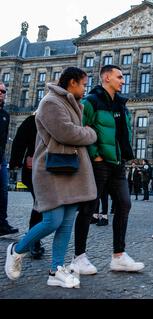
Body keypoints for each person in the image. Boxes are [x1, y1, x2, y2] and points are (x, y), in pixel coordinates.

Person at [4, 67, 97, 288]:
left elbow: (73, 132)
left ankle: (56, 270)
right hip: (51, 170)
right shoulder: (50, 103)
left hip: (70, 169)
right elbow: (67, 133)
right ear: (72, 83)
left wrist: (81, 131)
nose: (86, 88)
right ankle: (17, 249)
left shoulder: (72, 104)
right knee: (52, 220)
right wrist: (90, 133)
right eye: (84, 84)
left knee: (65, 223)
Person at [71, 65, 144, 275]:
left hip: (117, 163)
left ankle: (119, 256)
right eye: (119, 77)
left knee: (124, 203)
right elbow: (81, 127)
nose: (123, 80)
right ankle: (79, 257)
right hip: (99, 163)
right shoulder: (91, 101)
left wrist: (124, 155)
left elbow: (123, 133)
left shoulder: (122, 105)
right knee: (88, 208)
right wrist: (95, 154)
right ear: (106, 77)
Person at [9, 113, 45, 258]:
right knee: (40, 203)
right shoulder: (33, 120)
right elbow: (19, 141)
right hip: (33, 170)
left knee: (43, 206)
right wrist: (17, 162)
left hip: (52, 169)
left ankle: (33, 238)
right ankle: (32, 240)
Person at [0, 82, 19, 237]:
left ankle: (2, 223)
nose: (2, 94)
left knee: (3, 191)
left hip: (1, 159)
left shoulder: (6, 115)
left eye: (4, 91)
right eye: (0, 91)